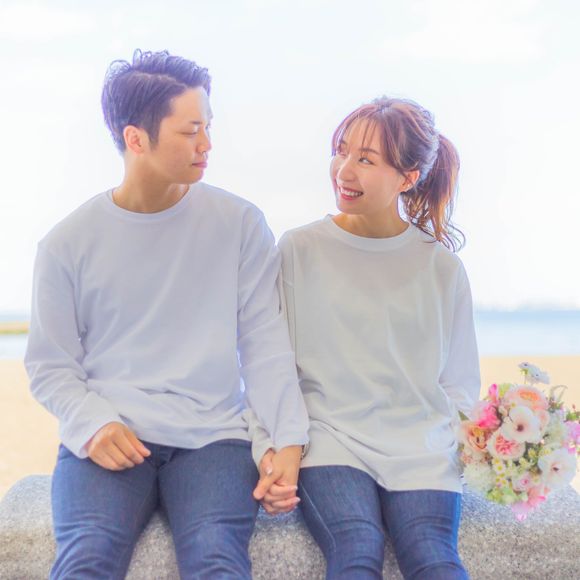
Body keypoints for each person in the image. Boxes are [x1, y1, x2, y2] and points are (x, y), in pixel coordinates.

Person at [24, 49, 308, 580]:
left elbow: (265, 346)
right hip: (113, 432)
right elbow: (49, 365)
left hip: (214, 438)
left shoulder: (240, 223)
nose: (207, 144)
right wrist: (91, 423)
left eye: (208, 126)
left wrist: (286, 443)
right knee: (86, 559)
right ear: (136, 139)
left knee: (217, 559)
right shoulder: (66, 243)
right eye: (191, 131)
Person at [253, 97, 480, 579]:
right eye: (341, 151)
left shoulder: (441, 267)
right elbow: (269, 361)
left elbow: (459, 383)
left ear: (408, 178)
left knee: (434, 557)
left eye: (366, 159)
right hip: (330, 441)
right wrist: (270, 445)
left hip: (421, 450)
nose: (344, 170)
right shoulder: (300, 248)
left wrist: (463, 448)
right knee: (356, 547)